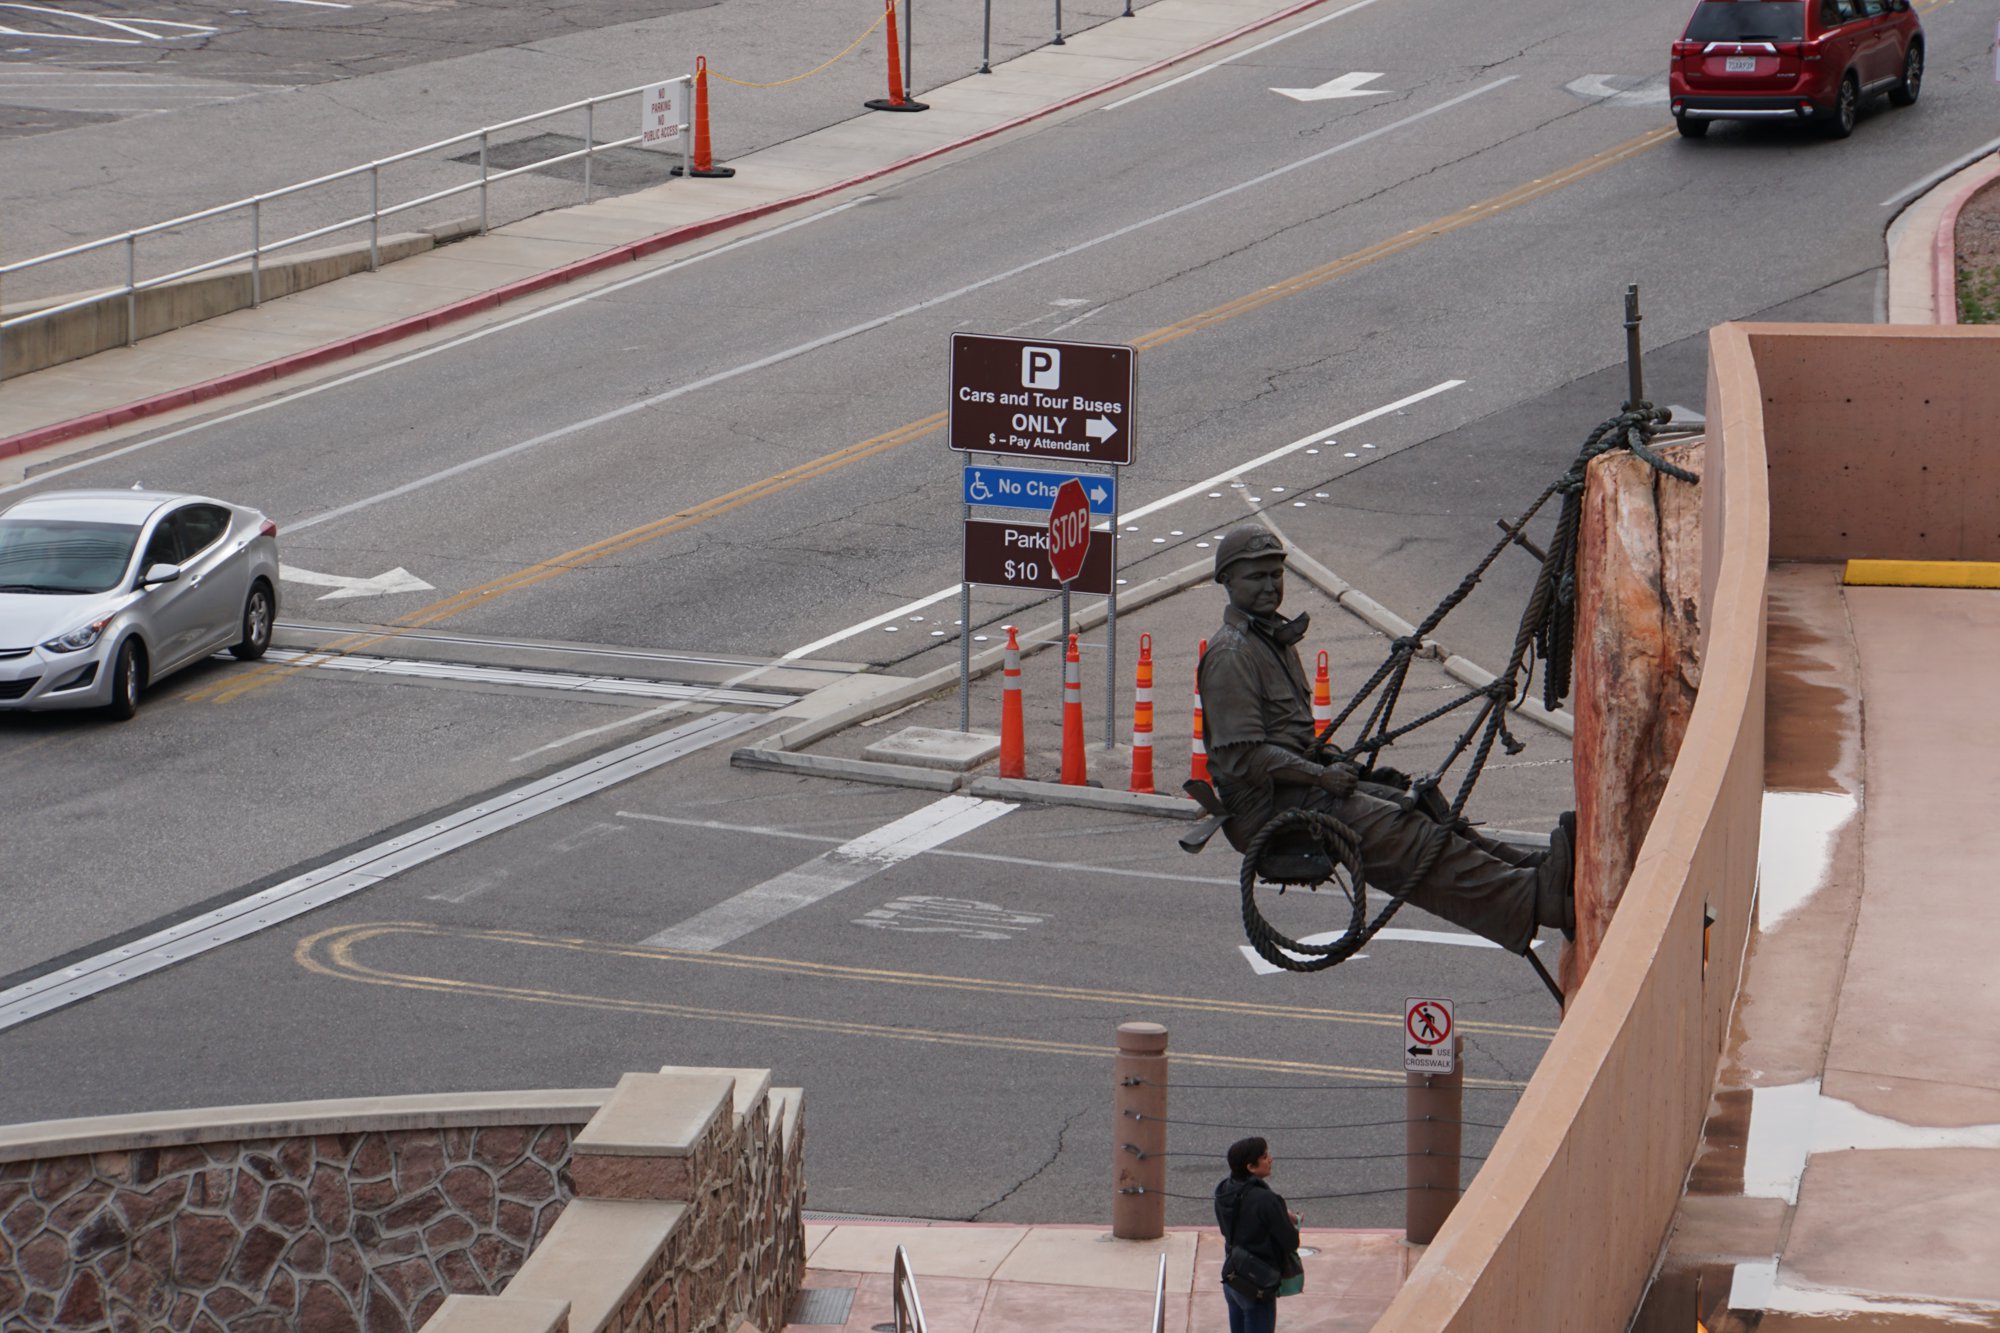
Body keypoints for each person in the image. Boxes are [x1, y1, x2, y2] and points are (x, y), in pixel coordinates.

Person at [1196, 525, 1574, 955]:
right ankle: (1532, 899)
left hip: (1296, 787)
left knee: (1418, 805)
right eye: (1256, 577)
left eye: (1275, 575)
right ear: (1227, 581)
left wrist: (1343, 768)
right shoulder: (1232, 654)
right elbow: (1245, 757)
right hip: (1269, 806)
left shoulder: (1272, 639)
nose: (1269, 586)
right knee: (1403, 832)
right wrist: (1321, 778)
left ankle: (1534, 871)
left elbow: (1287, 739)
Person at [1214, 1136, 1300, 1333]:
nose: (1270, 1159)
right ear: (1251, 1167)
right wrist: (1284, 1215)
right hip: (1257, 1283)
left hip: (1233, 1276)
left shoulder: (1224, 1191)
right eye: (1264, 1156)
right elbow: (1290, 1242)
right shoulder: (1267, 1200)